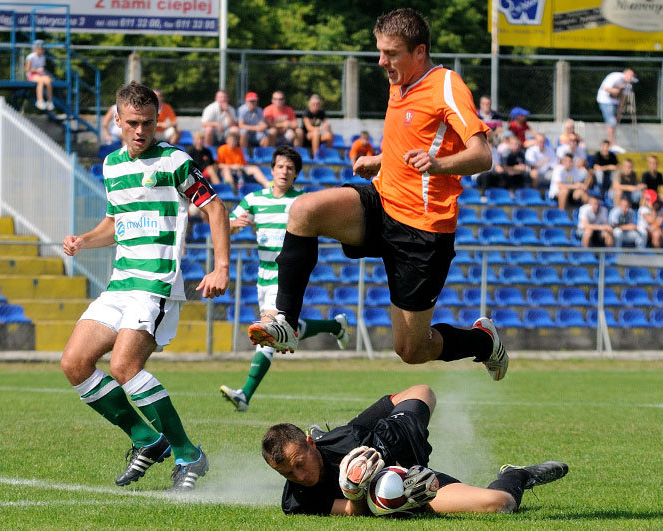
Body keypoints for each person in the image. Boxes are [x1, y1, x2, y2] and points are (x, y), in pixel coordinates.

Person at [247, 8, 507, 383]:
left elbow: (482, 155)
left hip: (423, 230)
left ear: (419, 52)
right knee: (304, 210)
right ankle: (285, 320)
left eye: (392, 53)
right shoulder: (398, 81)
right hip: (382, 202)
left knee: (411, 350)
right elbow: (414, 139)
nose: (381, 60)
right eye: (380, 51)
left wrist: (436, 165)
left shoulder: (446, 85)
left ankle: (484, 343)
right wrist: (381, 160)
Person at [60, 81, 229, 492]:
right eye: (132, 123)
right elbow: (116, 223)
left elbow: (215, 207)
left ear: (159, 123)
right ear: (117, 120)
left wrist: (220, 266)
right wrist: (84, 239)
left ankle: (189, 454)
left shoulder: (175, 162)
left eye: (148, 124)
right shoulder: (112, 165)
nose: (140, 131)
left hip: (156, 282)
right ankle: (147, 440)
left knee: (123, 367)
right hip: (120, 283)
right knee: (74, 363)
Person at [262, 384, 568, 516]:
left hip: (398, 439)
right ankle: (517, 475)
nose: (299, 476)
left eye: (299, 463)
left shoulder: (351, 436)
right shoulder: (297, 498)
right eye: (287, 472)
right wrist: (354, 493)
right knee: (499, 503)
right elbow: (352, 513)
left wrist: (378, 417)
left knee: (423, 391)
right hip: (412, 488)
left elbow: (416, 393)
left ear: (310, 444)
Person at [219, 146, 350, 413]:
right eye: (280, 166)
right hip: (264, 274)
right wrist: (234, 225)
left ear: (296, 174)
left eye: (290, 168)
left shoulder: (302, 201)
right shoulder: (255, 199)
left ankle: (244, 394)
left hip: (287, 274)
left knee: (269, 330)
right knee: (284, 329)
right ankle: (335, 326)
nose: (284, 171)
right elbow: (227, 226)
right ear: (272, 169)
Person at [596, 68, 636, 152]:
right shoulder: (615, 77)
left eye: (632, 76)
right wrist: (617, 90)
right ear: (625, 73)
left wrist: (619, 112)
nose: (630, 78)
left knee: (614, 122)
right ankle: (612, 144)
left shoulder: (628, 85)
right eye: (630, 75)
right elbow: (605, 88)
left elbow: (622, 100)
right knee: (611, 122)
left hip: (615, 102)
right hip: (605, 100)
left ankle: (611, 143)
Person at [25, 39, 54, 111]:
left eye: (43, 49)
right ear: (36, 49)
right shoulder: (30, 57)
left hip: (40, 74)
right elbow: (27, 69)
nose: (42, 50)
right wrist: (36, 70)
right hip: (32, 75)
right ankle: (40, 101)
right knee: (40, 81)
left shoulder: (43, 57)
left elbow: (42, 69)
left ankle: (49, 101)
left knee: (48, 80)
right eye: (41, 48)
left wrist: (42, 72)